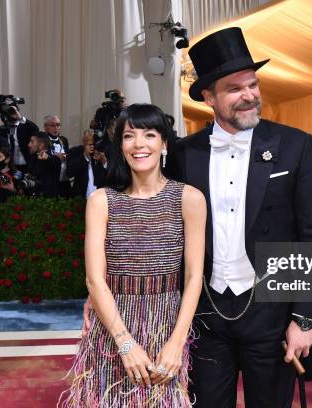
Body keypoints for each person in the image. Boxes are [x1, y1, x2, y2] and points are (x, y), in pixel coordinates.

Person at [174, 27, 312, 407]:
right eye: (235, 88)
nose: (249, 96)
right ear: (209, 97)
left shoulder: (294, 145)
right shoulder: (184, 153)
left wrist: (305, 319)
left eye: (253, 85)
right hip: (207, 315)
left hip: (273, 314)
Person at [60, 104, 205, 407]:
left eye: (150, 134)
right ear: (120, 146)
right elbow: (94, 279)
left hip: (167, 328)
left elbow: (193, 277)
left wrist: (177, 343)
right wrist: (125, 343)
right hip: (112, 333)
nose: (139, 144)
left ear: (164, 143)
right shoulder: (102, 201)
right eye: (129, 136)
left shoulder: (189, 199)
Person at [66, 129, 108, 198]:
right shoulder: (75, 152)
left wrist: (104, 161)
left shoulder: (102, 151)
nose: (92, 145)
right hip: (81, 198)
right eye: (89, 142)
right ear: (83, 141)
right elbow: (69, 172)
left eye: (94, 142)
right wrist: (85, 156)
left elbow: (111, 174)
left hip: (99, 197)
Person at [44, 115, 72, 197]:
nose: (56, 127)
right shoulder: (43, 140)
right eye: (53, 125)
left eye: (58, 125)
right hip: (51, 181)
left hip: (64, 179)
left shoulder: (63, 140)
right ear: (45, 127)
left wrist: (64, 156)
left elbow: (67, 155)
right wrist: (56, 156)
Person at [26, 132, 61, 197]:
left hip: (48, 202)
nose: (29, 145)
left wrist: (47, 158)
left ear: (41, 145)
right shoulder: (32, 158)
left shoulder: (55, 159)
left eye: (32, 142)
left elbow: (54, 163)